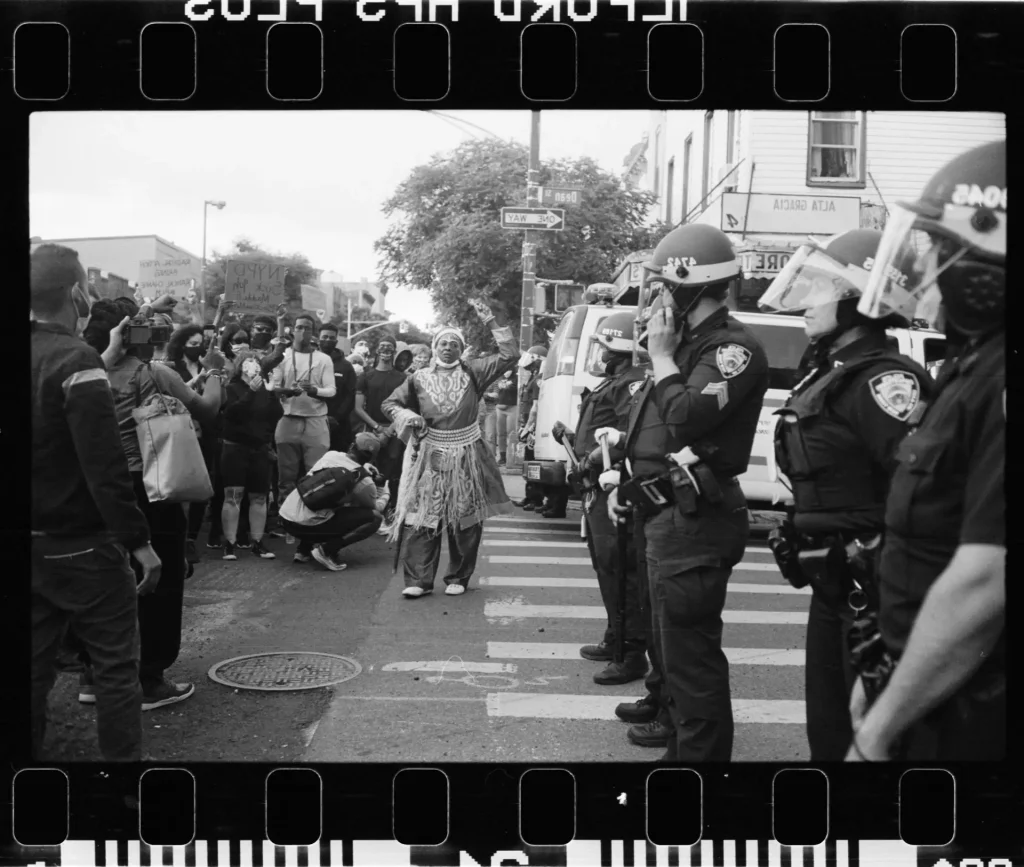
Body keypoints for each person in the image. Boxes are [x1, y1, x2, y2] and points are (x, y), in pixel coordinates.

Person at [846, 139, 1006, 762]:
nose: (928, 270)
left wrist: (879, 730)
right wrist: (886, 673)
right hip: (932, 691)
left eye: (941, 250)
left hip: (975, 715)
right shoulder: (973, 365)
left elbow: (984, 579)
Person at [756, 228, 936, 761]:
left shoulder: (885, 384)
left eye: (822, 289)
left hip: (874, 591)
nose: (808, 301)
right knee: (829, 733)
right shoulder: (834, 371)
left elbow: (921, 497)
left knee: (867, 737)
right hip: (837, 584)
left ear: (862, 299)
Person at [607, 223, 769, 761]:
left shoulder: (731, 350)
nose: (654, 297)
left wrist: (660, 358)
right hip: (664, 510)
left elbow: (684, 419)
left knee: (690, 658)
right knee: (669, 651)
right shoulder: (690, 344)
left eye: (660, 286)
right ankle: (678, 751)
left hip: (697, 519)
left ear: (688, 286)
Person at [31, 244, 160, 762]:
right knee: (113, 666)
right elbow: (104, 466)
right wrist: (140, 542)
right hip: (82, 547)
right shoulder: (74, 360)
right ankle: (125, 783)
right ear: (76, 292)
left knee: (30, 671)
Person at [82, 297, 224, 711]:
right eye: (149, 329)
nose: (157, 336)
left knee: (108, 581)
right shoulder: (154, 373)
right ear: (132, 334)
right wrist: (214, 369)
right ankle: (150, 679)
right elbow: (209, 410)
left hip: (97, 488)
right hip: (148, 486)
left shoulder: (82, 371)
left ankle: (93, 674)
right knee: (157, 583)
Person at [383, 302, 520, 598]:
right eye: (443, 343)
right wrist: (410, 417)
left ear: (461, 348)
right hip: (429, 453)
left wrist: (492, 321)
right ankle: (418, 580)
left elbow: (511, 355)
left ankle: (458, 576)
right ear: (434, 347)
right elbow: (390, 404)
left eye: (454, 343)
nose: (448, 347)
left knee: (465, 517)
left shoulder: (475, 371)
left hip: (466, 452)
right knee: (423, 516)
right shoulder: (417, 378)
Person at [552, 310, 649, 686]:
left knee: (620, 572)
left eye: (604, 347)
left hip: (612, 490)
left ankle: (631, 655)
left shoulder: (631, 384)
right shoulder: (616, 381)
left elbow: (626, 436)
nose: (600, 354)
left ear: (619, 348)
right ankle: (615, 639)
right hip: (594, 490)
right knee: (607, 570)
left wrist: (592, 458)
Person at [279, 433, 390, 571]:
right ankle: (326, 551)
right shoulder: (365, 483)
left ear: (351, 446)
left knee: (321, 497)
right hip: (308, 527)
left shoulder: (330, 455)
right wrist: (385, 493)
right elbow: (375, 508)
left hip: (286, 517)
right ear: (373, 458)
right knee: (374, 518)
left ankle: (302, 551)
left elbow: (346, 462)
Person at [269, 313, 337, 516]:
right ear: (293, 330)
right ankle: (286, 516)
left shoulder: (323, 358)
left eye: (307, 328)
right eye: (299, 327)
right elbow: (274, 386)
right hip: (289, 418)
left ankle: (313, 515)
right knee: (286, 474)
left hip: (315, 420)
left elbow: (331, 390)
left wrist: (314, 390)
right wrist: (289, 391)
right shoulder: (283, 356)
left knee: (316, 473)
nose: (302, 332)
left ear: (313, 333)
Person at [219, 350, 284, 560]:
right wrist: (250, 393)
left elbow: (276, 415)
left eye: (256, 361)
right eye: (248, 361)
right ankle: (229, 543)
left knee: (259, 497)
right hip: (235, 448)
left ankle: (257, 541)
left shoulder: (264, 390)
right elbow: (231, 413)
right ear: (240, 366)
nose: (253, 364)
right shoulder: (232, 388)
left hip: (260, 449)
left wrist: (272, 393)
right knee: (233, 496)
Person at [166, 325, 217, 563]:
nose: (197, 348)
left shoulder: (208, 365)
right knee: (181, 487)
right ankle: (180, 537)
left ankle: (191, 538)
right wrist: (197, 382)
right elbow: (172, 396)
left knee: (201, 488)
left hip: (205, 431)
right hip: (180, 431)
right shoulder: (171, 367)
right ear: (181, 343)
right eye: (192, 344)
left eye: (200, 344)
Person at [354, 335, 408, 522]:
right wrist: (377, 427)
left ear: (394, 351)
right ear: (377, 350)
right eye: (382, 346)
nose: (386, 349)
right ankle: (370, 512)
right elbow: (358, 407)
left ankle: (391, 511)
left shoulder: (402, 378)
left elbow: (405, 407)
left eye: (390, 347)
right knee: (370, 471)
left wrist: (389, 430)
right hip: (371, 429)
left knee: (394, 471)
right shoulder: (365, 376)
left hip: (395, 429)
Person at [514, 346, 548, 512]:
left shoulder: (540, 378)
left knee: (533, 464)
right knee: (528, 463)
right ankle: (530, 496)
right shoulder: (535, 377)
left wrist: (527, 428)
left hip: (534, 429)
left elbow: (535, 408)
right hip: (530, 426)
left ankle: (536, 499)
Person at [318, 324, 358, 453]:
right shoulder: (310, 361)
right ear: (318, 339)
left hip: (338, 426)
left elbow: (351, 395)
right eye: (324, 337)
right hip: (312, 422)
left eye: (331, 338)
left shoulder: (346, 366)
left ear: (336, 341)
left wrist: (336, 417)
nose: (328, 340)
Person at [495, 367, 518, 467]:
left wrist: (506, 385)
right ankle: (502, 456)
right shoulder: (498, 377)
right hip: (500, 407)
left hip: (512, 407)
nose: (506, 371)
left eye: (508, 369)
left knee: (511, 432)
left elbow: (515, 388)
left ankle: (511, 456)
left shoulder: (516, 378)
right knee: (500, 433)